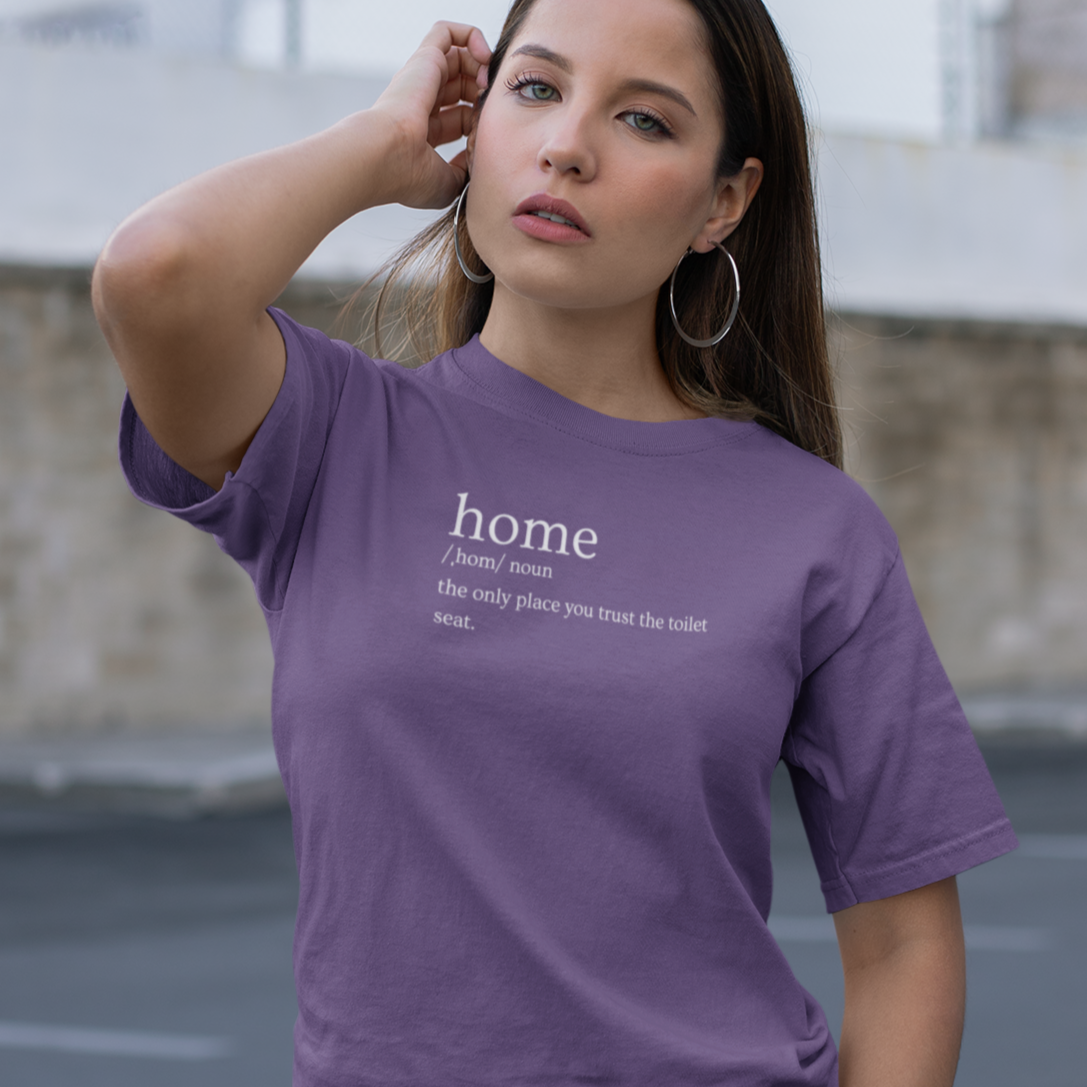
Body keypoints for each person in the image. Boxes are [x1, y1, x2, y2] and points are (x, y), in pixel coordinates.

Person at [91, 0, 1017, 1084]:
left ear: (724, 202)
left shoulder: (816, 530)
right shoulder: (332, 442)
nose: (566, 146)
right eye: (535, 90)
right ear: (475, 127)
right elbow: (155, 277)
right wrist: (383, 149)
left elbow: (905, 940)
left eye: (646, 122)